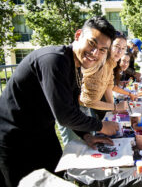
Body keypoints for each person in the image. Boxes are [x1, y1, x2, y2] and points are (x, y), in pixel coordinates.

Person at [0, 16, 119, 187]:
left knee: (58, 179)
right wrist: (101, 126)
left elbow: (71, 108)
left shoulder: (75, 66)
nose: (95, 53)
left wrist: (85, 135)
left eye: (102, 50)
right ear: (78, 35)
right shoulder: (54, 60)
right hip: (14, 138)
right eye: (92, 43)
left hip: (43, 134)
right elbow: (65, 115)